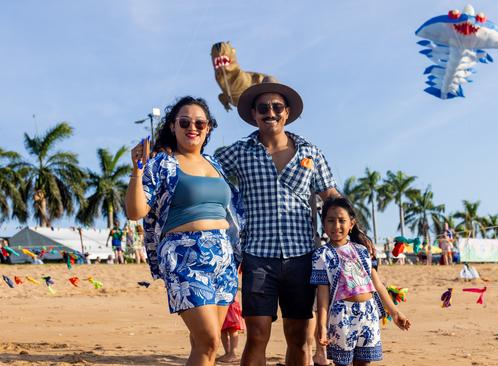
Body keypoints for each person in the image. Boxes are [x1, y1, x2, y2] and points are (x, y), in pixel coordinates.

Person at [215, 78, 344, 366]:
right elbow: (204, 168)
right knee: (257, 334)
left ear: (286, 112)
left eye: (276, 106)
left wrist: (355, 232)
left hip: (302, 257)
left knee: (299, 337)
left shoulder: (310, 152)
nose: (270, 112)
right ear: (253, 114)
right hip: (257, 257)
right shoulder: (238, 152)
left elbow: (331, 194)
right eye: (263, 107)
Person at [125, 96, 244, 366]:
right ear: (172, 126)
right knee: (209, 341)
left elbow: (234, 212)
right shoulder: (162, 163)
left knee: (204, 346)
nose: (193, 127)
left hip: (223, 260)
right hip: (184, 256)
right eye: (185, 122)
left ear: (209, 128)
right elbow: (135, 212)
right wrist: (137, 171)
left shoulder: (217, 165)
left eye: (200, 123)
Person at [311, 197, 410, 366]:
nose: (336, 226)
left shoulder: (362, 251)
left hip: (368, 315)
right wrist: (322, 326)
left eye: (342, 221)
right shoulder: (321, 255)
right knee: (342, 363)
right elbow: (322, 296)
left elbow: (377, 285)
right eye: (330, 221)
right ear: (324, 224)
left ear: (352, 224)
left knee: (364, 362)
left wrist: (394, 313)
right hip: (341, 317)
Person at [218, 298, 245, 364]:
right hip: (219, 301)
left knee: (232, 328)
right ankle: (227, 353)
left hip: (229, 301)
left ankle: (233, 354)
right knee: (222, 329)